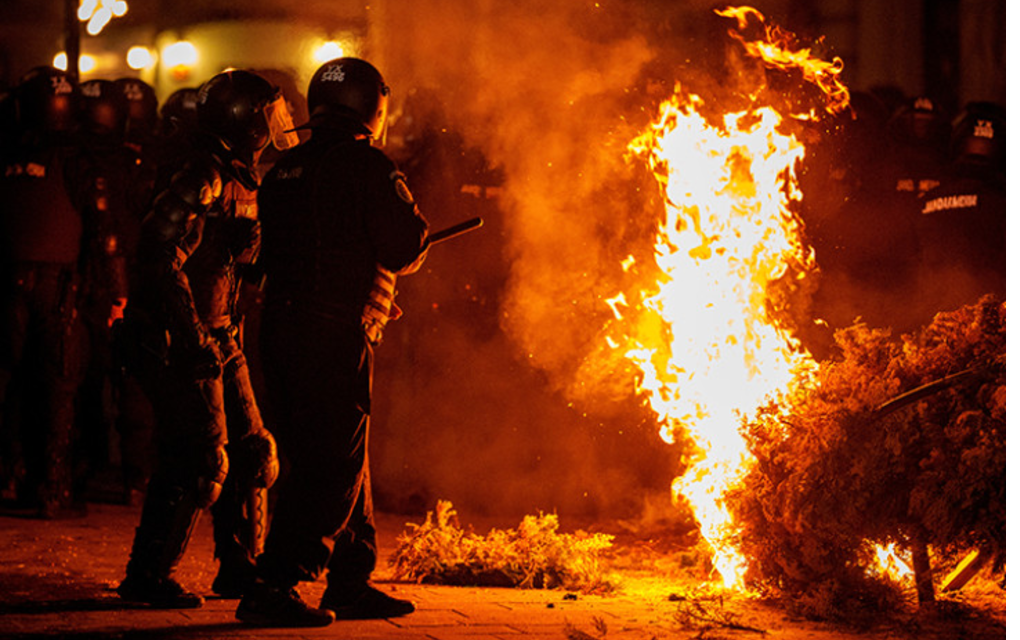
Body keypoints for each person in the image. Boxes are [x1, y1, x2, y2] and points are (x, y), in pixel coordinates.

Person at [235, 57, 429, 627]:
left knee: (339, 454)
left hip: (280, 327)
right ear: (373, 105)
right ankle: (278, 581)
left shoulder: (285, 168)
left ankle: (350, 580)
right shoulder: (367, 165)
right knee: (331, 464)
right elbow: (404, 245)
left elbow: (263, 257)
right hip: (331, 332)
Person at [116, 69, 294, 608]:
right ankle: (148, 577)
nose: (276, 126)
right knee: (197, 455)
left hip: (222, 330)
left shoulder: (241, 175)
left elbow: (233, 263)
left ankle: (241, 568)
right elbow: (157, 253)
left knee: (253, 451)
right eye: (268, 116)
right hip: (181, 334)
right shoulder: (202, 173)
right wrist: (190, 337)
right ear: (244, 119)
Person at [0, 66, 85, 518]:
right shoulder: (76, 157)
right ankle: (50, 489)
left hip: (11, 283)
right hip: (57, 289)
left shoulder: (8, 149)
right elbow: (103, 228)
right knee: (55, 390)